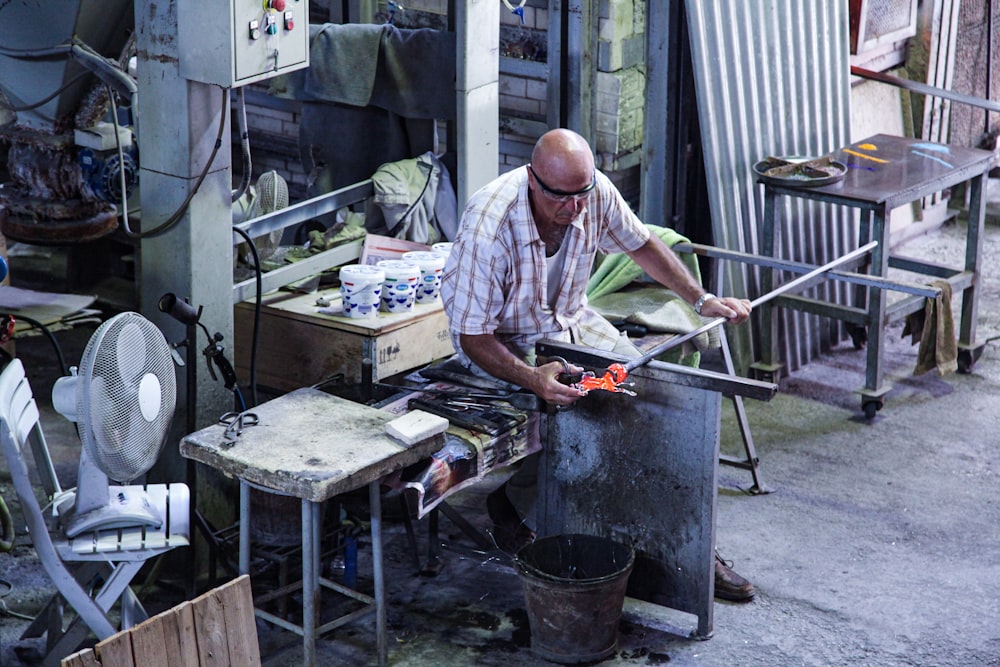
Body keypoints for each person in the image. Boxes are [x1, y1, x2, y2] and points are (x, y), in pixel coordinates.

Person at [439, 128, 755, 602]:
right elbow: (473, 335)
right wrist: (531, 378)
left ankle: (690, 551)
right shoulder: (490, 224)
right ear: (532, 180)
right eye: (561, 199)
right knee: (575, 409)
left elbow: (641, 244)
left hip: (568, 320)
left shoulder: (592, 192)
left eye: (582, 195)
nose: (575, 209)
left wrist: (701, 297)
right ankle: (528, 508)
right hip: (502, 341)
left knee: (645, 395)